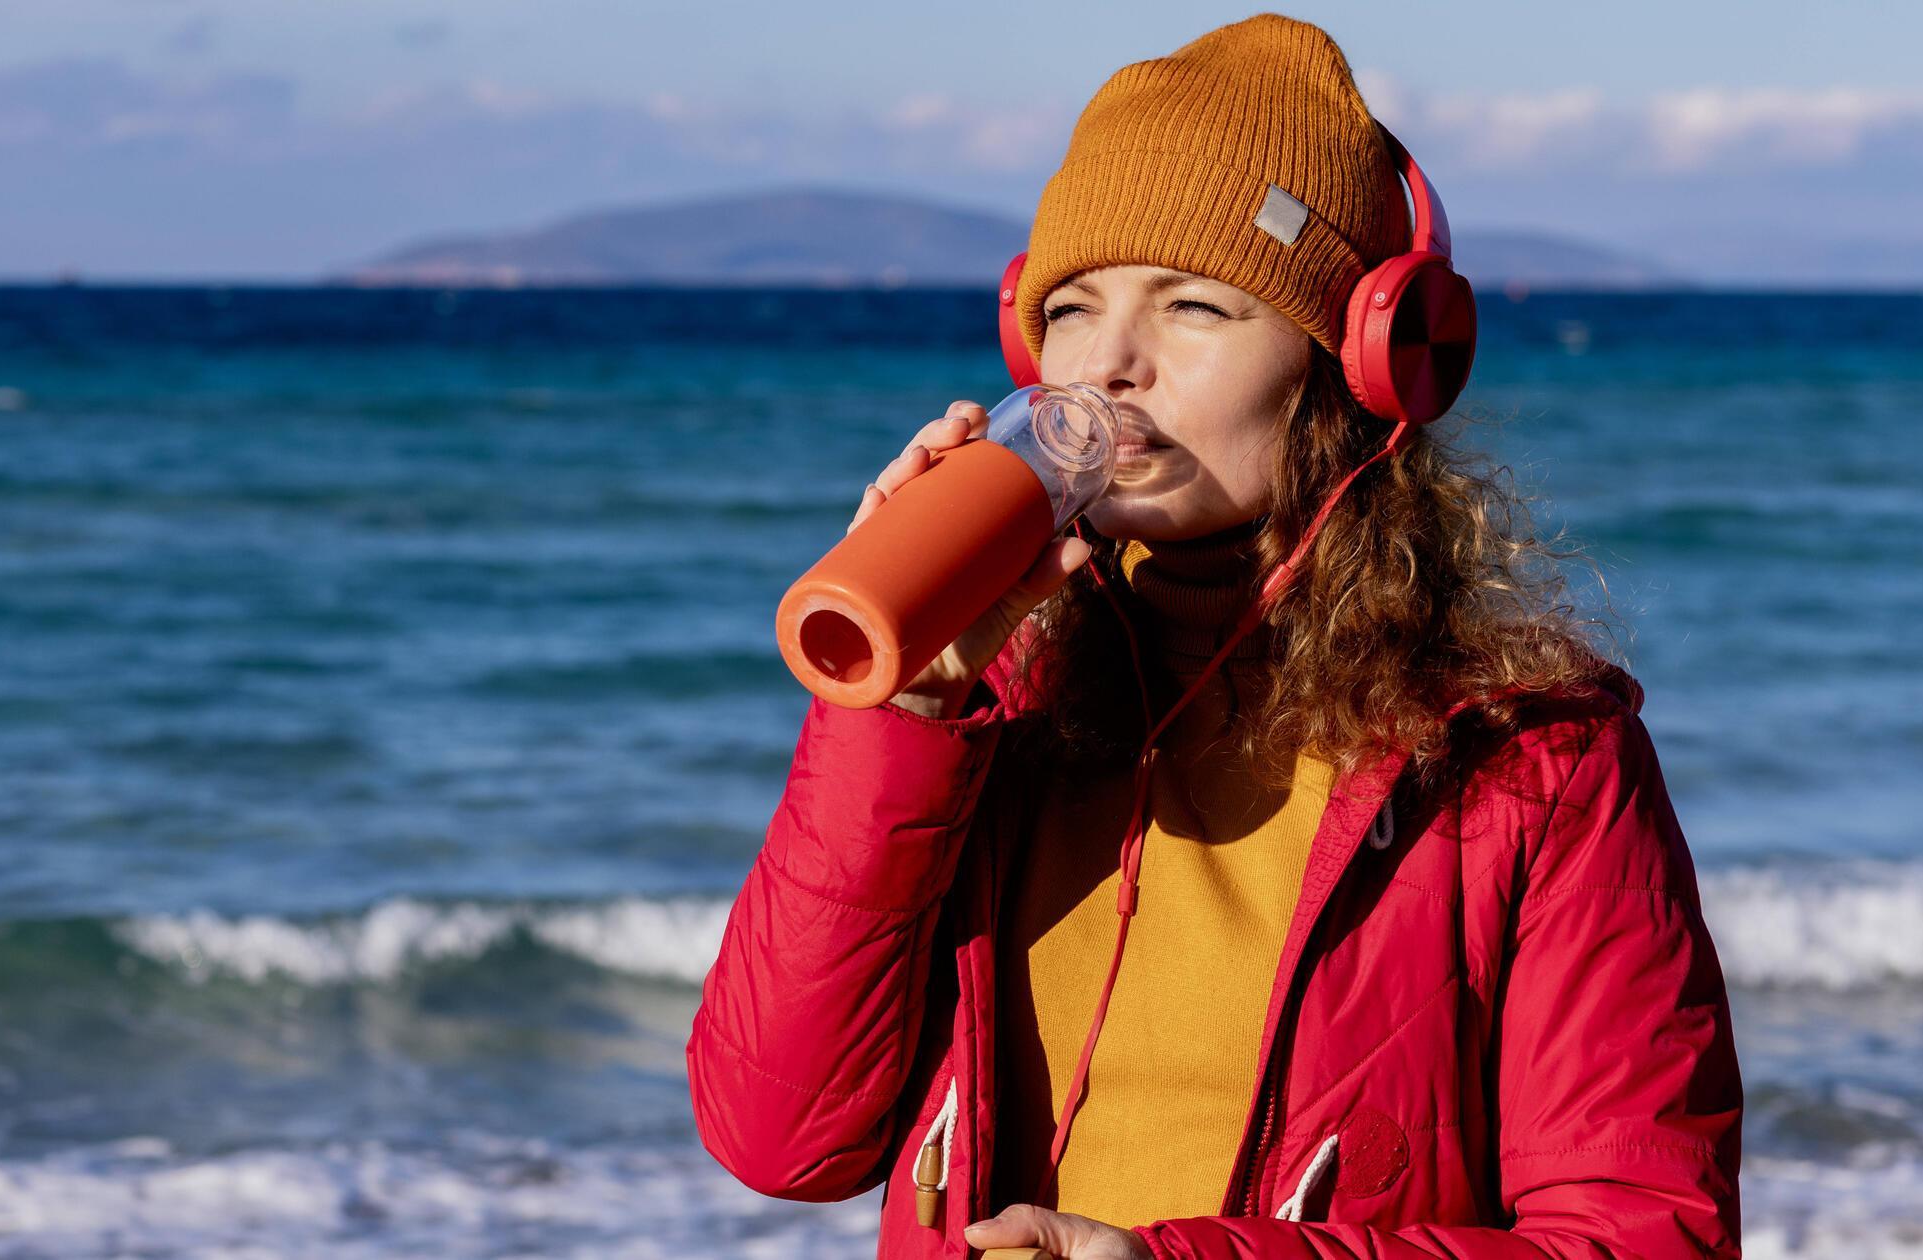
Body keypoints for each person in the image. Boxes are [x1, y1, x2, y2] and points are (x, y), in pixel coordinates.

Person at [688, 12, 1742, 1259]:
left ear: (1361, 363)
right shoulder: (993, 711)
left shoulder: (1528, 760)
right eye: (1072, 308)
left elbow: (1642, 1238)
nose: (1109, 365)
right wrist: (899, 718)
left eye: (1194, 305)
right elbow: (781, 1138)